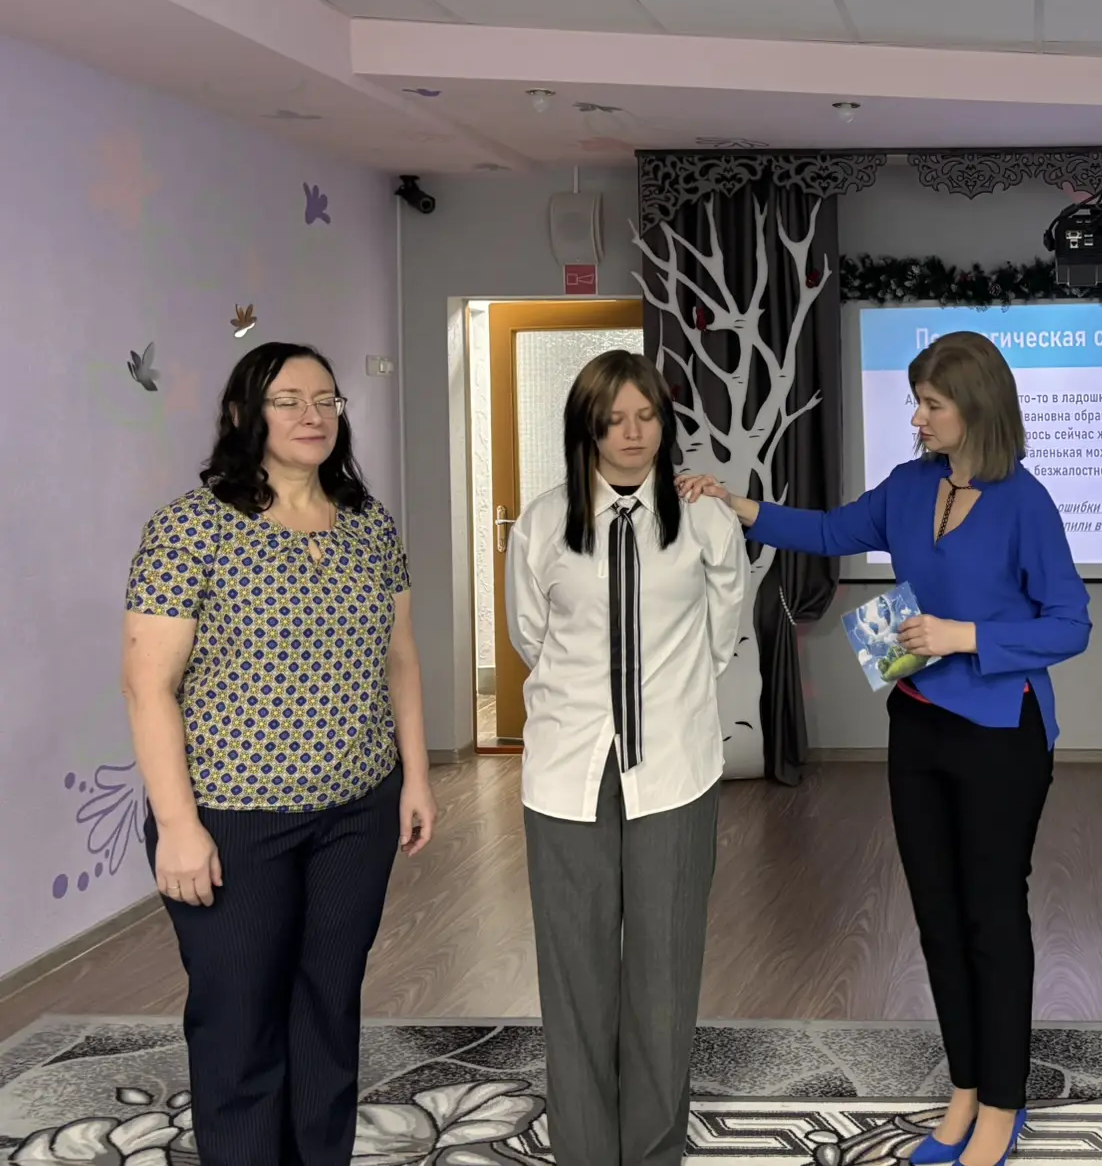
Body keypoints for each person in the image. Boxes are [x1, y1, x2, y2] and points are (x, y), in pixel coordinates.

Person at [679, 330, 1091, 1166]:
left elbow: (1070, 625)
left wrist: (964, 635)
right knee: (937, 918)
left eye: (932, 405)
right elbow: (830, 530)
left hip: (1002, 733)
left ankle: (1004, 1104)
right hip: (918, 724)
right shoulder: (908, 486)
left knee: (991, 918)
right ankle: (965, 1089)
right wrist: (736, 505)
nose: (918, 418)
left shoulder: (1027, 503)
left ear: (976, 407)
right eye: (917, 402)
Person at [122, 342, 436, 1166]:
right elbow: (148, 687)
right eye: (288, 399)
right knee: (239, 1016)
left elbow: (400, 659)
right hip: (232, 817)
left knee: (328, 1004)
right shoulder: (190, 528)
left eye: (326, 399)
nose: (312, 415)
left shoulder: (369, 524)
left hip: (358, 810)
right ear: (243, 415)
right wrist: (177, 826)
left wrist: (415, 777)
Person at [506, 351, 746, 1166]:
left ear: (664, 423)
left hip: (674, 768)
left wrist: (668, 703)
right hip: (565, 771)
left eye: (646, 416)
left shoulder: (705, 520)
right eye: (613, 420)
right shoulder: (542, 523)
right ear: (587, 429)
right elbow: (531, 636)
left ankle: (652, 1151)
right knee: (574, 975)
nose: (632, 434)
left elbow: (721, 632)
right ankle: (583, 1151)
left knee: (664, 974)